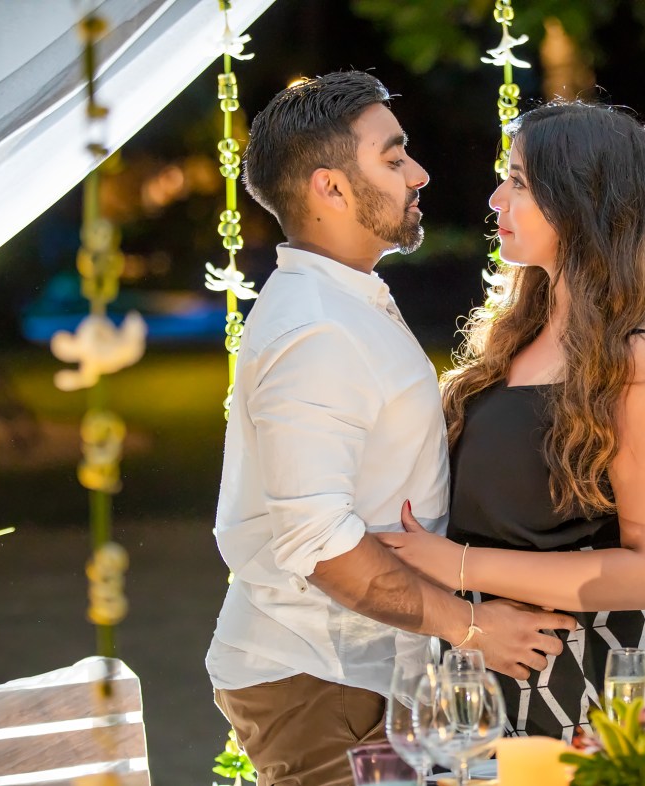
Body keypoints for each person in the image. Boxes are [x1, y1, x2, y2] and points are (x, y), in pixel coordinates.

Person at [205, 72, 577, 786]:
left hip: (352, 677)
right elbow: (319, 541)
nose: (420, 173)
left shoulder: (345, 301)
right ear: (331, 188)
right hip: (319, 678)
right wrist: (471, 627)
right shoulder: (315, 328)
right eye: (393, 157)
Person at [379, 101, 645, 740]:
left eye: (518, 182)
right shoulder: (515, 332)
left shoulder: (638, 357)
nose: (496, 199)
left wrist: (457, 566)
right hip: (479, 681)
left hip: (587, 695)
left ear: (582, 199)